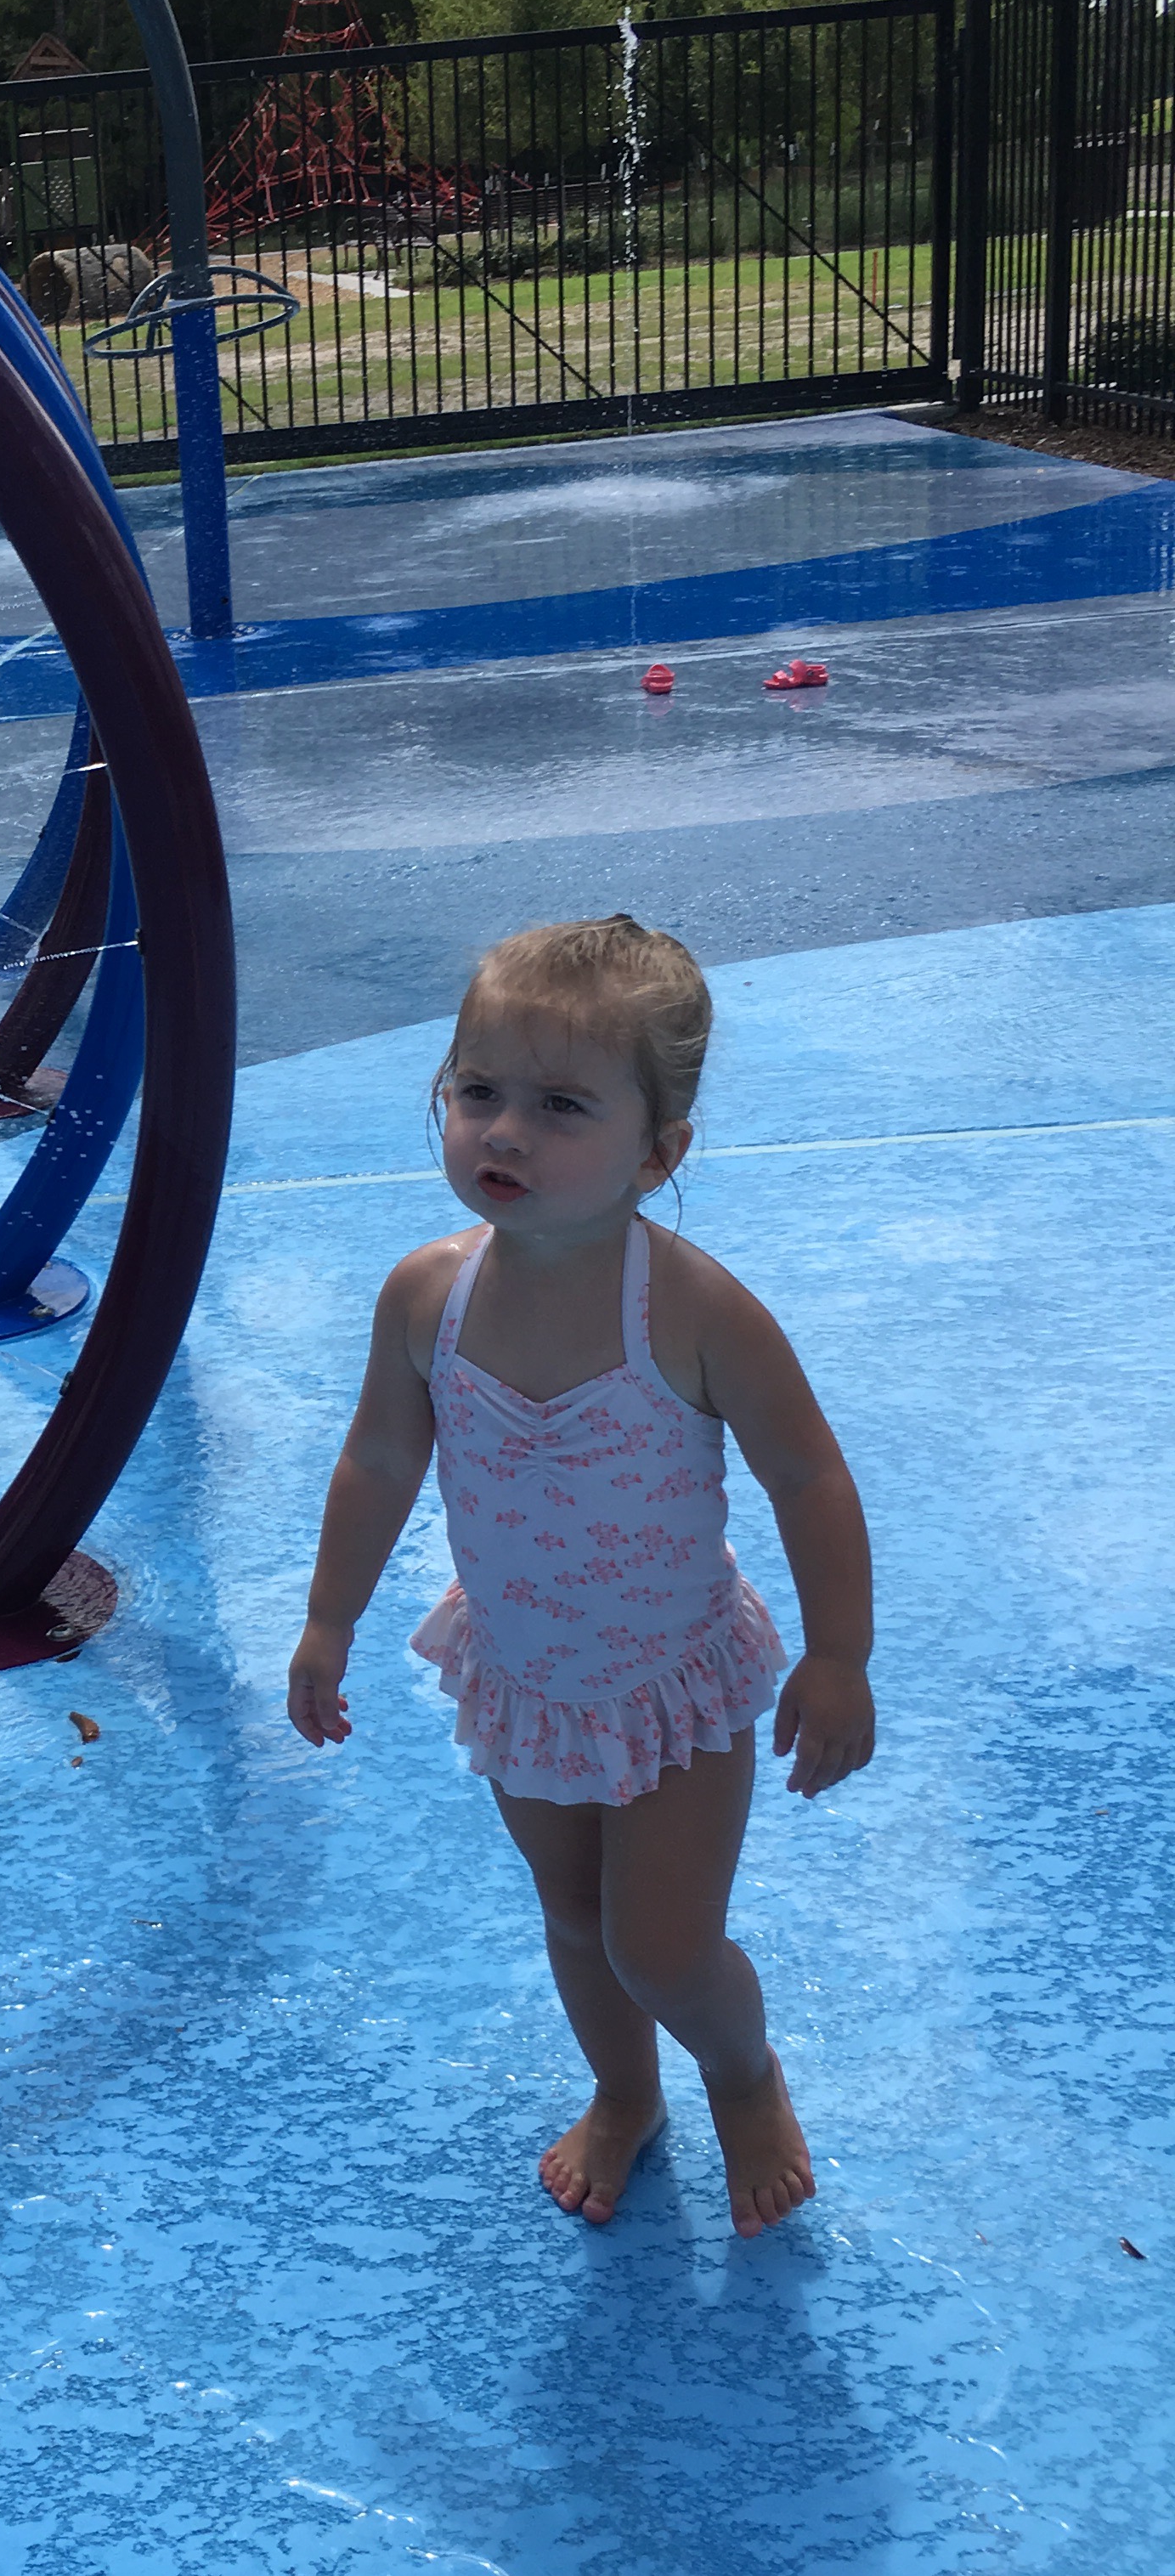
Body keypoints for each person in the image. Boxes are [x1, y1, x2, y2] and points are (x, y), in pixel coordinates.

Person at [286, 916, 874, 2238]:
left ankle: (741, 2074)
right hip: (525, 1675)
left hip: (672, 1679)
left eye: (560, 1107)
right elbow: (379, 1459)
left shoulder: (694, 1310)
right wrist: (329, 1618)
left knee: (661, 1944)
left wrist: (841, 1655)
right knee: (573, 1916)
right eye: (478, 1091)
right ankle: (625, 2092)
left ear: (658, 1153)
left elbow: (809, 1475)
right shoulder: (426, 1298)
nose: (504, 1133)